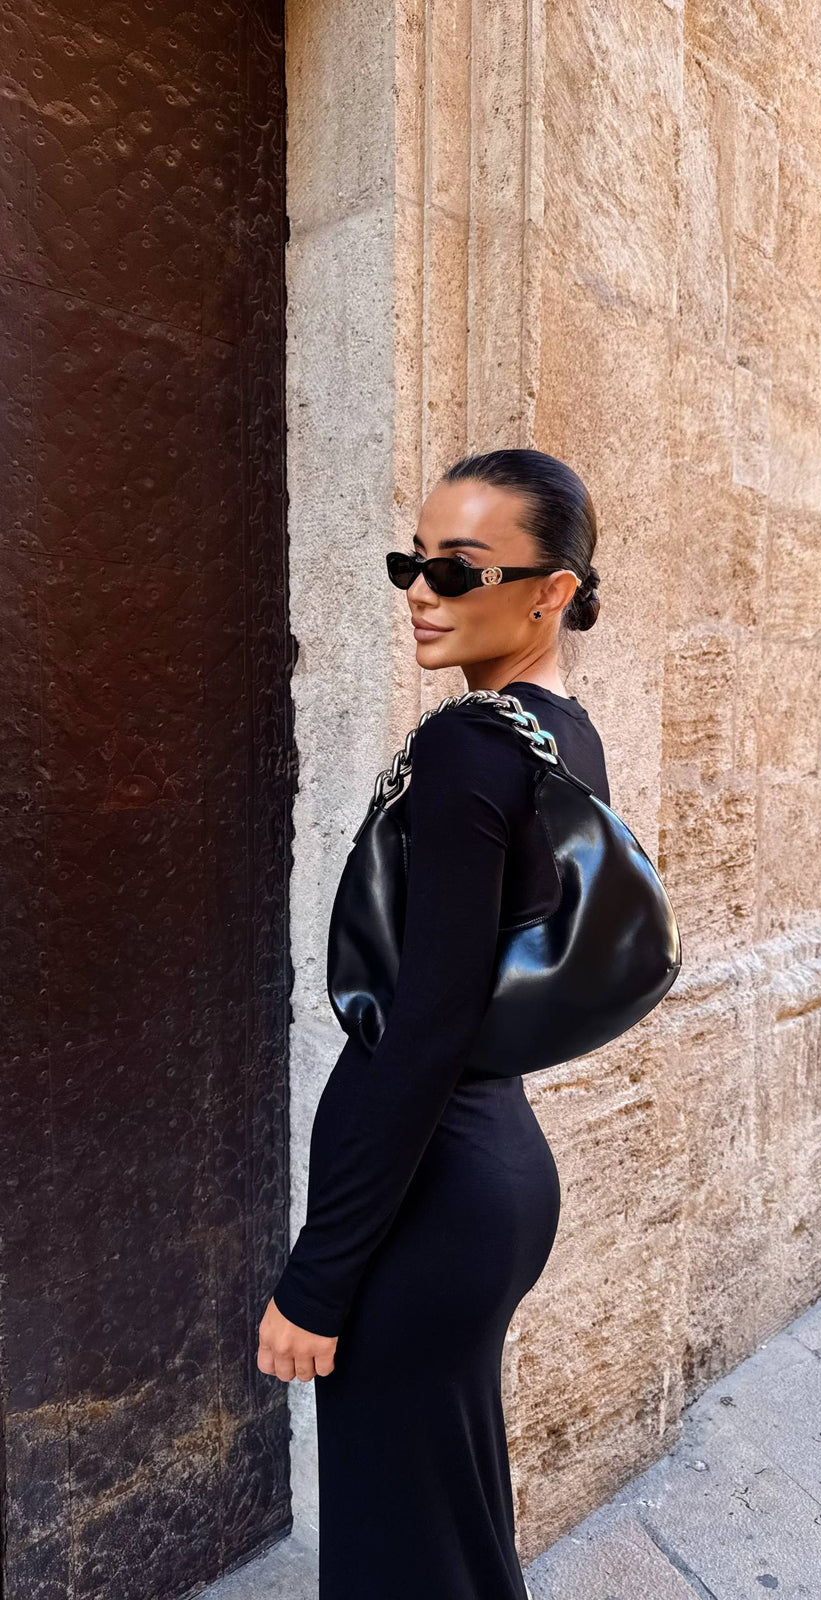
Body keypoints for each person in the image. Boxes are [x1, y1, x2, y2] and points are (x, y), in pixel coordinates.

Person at [256, 447, 611, 1599]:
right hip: (490, 1179)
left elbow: (423, 1035)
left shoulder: (467, 746)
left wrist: (320, 1275)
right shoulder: (556, 731)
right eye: (412, 563)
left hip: (432, 1199)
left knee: (397, 1545)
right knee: (447, 1520)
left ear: (551, 589)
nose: (421, 591)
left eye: (458, 570)